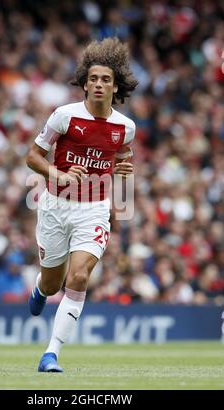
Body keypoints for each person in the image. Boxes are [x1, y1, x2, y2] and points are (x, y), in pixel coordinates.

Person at [26, 37, 138, 372]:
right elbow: (32, 156)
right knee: (51, 282)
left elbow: (123, 155)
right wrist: (56, 173)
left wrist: (123, 168)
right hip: (55, 207)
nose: (99, 84)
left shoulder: (125, 127)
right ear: (84, 84)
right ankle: (40, 289)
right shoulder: (64, 117)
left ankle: (51, 353)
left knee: (78, 277)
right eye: (93, 79)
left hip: (93, 209)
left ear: (115, 86)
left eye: (106, 79)